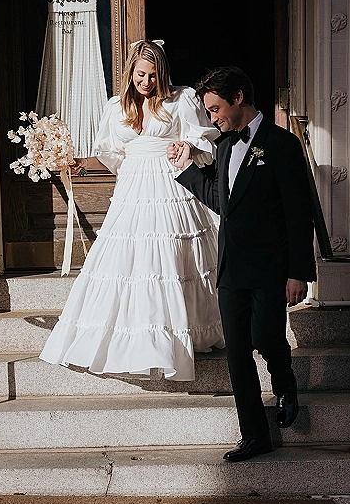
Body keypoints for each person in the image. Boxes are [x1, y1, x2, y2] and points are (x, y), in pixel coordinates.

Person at [39, 40, 225, 381]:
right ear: (130, 72)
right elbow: (112, 155)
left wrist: (185, 144)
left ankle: (180, 339)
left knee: (168, 257)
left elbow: (205, 139)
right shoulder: (115, 107)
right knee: (127, 262)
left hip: (170, 184)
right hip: (133, 189)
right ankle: (130, 342)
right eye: (141, 74)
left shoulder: (180, 98)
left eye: (154, 75)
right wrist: (77, 163)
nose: (147, 82)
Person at [168, 66, 316, 461]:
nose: (212, 118)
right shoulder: (223, 147)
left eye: (216, 109)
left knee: (267, 339)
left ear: (238, 98)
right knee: (236, 354)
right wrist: (186, 169)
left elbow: (298, 214)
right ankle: (254, 435)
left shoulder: (282, 144)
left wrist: (298, 272)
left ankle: (284, 382)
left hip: (271, 267)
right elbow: (222, 203)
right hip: (231, 267)